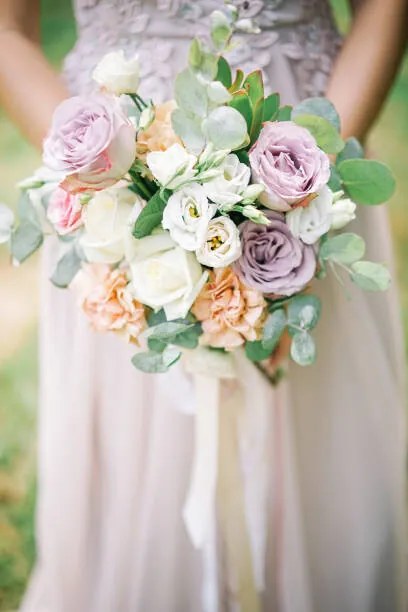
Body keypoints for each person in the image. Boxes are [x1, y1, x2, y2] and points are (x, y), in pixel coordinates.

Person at [1, 1, 407, 611]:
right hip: (116, 184)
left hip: (310, 152)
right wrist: (115, 184)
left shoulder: (310, 177)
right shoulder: (115, 188)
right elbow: (7, 30)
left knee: (321, 451)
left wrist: (299, 189)